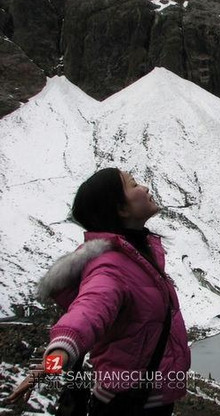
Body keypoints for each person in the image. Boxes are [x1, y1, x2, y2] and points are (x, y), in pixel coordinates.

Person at [7, 168, 191, 415]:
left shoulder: (138, 254)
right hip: (128, 404)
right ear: (121, 209)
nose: (145, 188)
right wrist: (54, 360)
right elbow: (89, 311)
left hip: (145, 398)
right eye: (133, 184)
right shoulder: (111, 267)